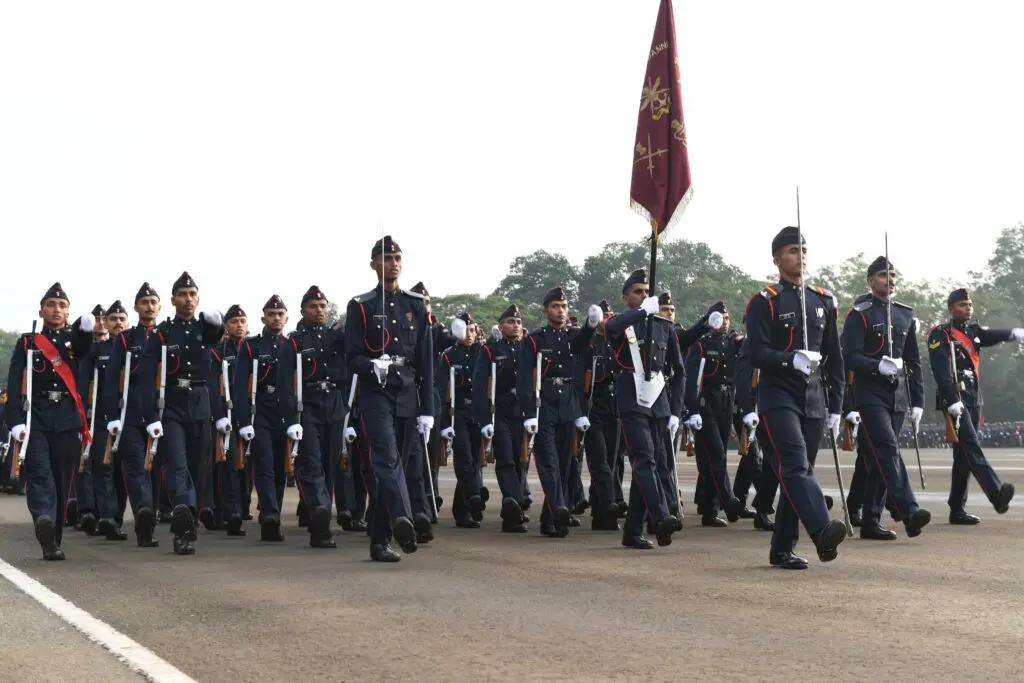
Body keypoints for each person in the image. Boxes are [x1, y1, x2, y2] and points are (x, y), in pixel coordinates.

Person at [745, 227, 848, 570]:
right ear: (777, 258)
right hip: (778, 394)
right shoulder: (765, 302)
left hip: (814, 396)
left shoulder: (822, 300)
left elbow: (835, 355)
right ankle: (821, 530)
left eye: (803, 250)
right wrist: (789, 358)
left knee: (799, 473)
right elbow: (755, 352)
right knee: (794, 463)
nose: (800, 256)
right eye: (792, 250)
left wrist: (837, 406)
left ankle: (783, 548)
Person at [344, 236, 434, 562]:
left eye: (396, 258)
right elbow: (351, 357)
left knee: (397, 466)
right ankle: (402, 519)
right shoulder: (361, 305)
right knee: (385, 458)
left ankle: (380, 540)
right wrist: (371, 366)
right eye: (385, 258)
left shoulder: (415, 305)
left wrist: (429, 410)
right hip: (375, 392)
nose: (392, 264)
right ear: (373, 265)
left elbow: (425, 360)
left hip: (407, 391)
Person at [841, 256, 931, 540]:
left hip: (897, 395)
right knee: (888, 448)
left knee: (879, 456)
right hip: (869, 393)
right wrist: (876, 365)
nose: (889, 280)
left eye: (893, 275)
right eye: (883, 275)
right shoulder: (860, 314)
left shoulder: (905, 314)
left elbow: (914, 362)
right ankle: (909, 510)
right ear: (870, 281)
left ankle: (870, 521)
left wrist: (918, 401)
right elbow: (850, 356)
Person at [5, 282, 95, 560]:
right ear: (41, 310)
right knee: (40, 474)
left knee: (60, 478)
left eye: (62, 306)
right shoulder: (28, 342)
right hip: (38, 417)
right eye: (51, 305)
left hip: (67, 418)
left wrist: (86, 327)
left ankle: (52, 538)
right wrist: (16, 420)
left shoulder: (75, 343)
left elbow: (83, 344)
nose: (57, 310)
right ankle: (43, 518)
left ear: (68, 313)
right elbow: (14, 379)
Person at [138, 272, 224, 555]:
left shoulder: (206, 328)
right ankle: (182, 521)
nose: (188, 300)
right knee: (177, 464)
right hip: (172, 404)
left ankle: (190, 518)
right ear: (173, 299)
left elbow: (217, 340)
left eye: (193, 295)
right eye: (183, 295)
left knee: (200, 468)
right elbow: (148, 377)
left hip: (200, 403)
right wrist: (151, 416)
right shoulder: (162, 334)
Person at [604, 269, 683, 549]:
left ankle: (633, 530)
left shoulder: (663, 326)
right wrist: (641, 313)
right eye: (637, 292)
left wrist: (675, 410)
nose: (643, 295)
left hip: (659, 403)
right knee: (644, 459)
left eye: (646, 291)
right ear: (626, 298)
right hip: (631, 399)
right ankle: (662, 517)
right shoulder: (621, 323)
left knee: (653, 465)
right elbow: (610, 329)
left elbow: (679, 371)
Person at [926, 287, 1018, 524]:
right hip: (954, 398)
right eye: (962, 305)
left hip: (973, 397)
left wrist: (1014, 333)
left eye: (969, 305)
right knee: (971, 446)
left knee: (963, 456)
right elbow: (941, 372)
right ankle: (996, 494)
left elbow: (994, 334)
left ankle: (957, 509)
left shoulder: (974, 331)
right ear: (951, 308)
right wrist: (952, 401)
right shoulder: (941, 334)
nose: (967, 308)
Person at [517, 286, 600, 538]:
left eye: (564, 307)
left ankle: (550, 519)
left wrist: (590, 325)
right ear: (546, 311)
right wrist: (529, 412)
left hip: (567, 404)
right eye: (555, 306)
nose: (561, 311)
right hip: (544, 405)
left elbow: (582, 341)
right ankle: (560, 506)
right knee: (549, 462)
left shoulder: (572, 336)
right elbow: (523, 379)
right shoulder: (535, 339)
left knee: (565, 463)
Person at [281, 287, 352, 549]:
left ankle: (319, 517)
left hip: (333, 405)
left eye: (322, 306)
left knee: (330, 463)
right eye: (313, 307)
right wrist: (292, 418)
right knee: (311, 463)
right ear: (303, 311)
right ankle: (320, 509)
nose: (318, 311)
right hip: (307, 406)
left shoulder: (337, 338)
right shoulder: (295, 341)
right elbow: (284, 382)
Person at [103, 284, 162, 548]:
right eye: (144, 302)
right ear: (136, 307)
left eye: (153, 302)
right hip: (131, 411)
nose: (149, 306)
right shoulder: (125, 340)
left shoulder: (165, 335)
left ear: (160, 307)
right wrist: (113, 415)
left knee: (160, 470)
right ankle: (143, 514)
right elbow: (111, 379)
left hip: (162, 411)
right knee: (136, 468)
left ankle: (154, 510)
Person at [234, 295, 292, 542]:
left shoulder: (292, 345)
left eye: (280, 314)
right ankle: (270, 515)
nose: (275, 318)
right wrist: (243, 420)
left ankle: (273, 510)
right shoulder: (251, 346)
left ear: (286, 318)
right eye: (271, 314)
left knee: (281, 466)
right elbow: (238, 385)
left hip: (285, 410)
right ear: (263, 318)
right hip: (261, 410)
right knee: (265, 464)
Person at [684, 301, 746, 527]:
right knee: (716, 452)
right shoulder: (700, 346)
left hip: (726, 401)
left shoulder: (732, 343)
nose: (725, 322)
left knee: (714, 457)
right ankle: (728, 500)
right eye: (720, 317)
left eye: (727, 318)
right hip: (705, 402)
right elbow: (691, 382)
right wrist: (691, 410)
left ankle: (709, 510)